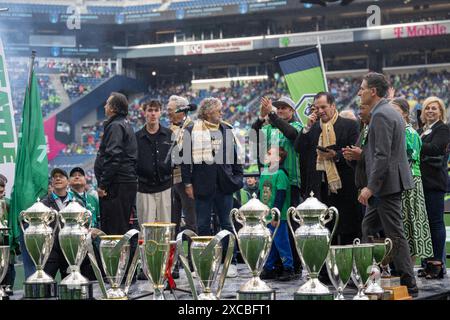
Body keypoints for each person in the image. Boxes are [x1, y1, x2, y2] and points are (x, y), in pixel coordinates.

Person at [357, 72, 418, 296]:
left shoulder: (381, 114)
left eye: (362, 88)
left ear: (373, 91)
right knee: (368, 227)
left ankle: (409, 283)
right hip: (388, 183)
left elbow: (382, 155)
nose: (359, 92)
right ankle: (370, 276)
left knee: (395, 234)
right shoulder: (387, 111)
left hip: (385, 186)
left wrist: (371, 186)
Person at [181, 97, 243, 278]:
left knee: (226, 224)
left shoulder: (227, 129)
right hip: (202, 185)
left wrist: (237, 178)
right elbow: (185, 162)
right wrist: (187, 184)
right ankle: (204, 262)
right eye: (218, 110)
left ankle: (230, 262)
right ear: (208, 112)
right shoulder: (191, 130)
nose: (222, 113)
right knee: (202, 225)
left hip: (224, 185)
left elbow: (236, 157)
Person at [295, 92, 361, 245]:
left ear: (332, 106)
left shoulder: (349, 125)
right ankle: (323, 269)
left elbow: (354, 151)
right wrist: (307, 127)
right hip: (319, 187)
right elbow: (299, 148)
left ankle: (345, 267)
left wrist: (335, 155)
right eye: (316, 108)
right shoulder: (312, 127)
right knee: (322, 233)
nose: (320, 111)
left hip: (343, 185)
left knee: (347, 230)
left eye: (323, 107)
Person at [391, 98, 433, 262]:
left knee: (410, 224)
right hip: (399, 181)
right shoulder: (397, 130)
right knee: (402, 224)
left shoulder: (410, 132)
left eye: (395, 111)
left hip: (410, 181)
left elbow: (410, 157)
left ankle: (409, 269)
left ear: (405, 114)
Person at [94, 92, 138, 235]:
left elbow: (114, 156)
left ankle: (115, 258)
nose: (105, 106)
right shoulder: (124, 124)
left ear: (113, 108)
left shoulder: (116, 126)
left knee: (114, 230)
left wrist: (103, 185)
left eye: (107, 103)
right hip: (122, 183)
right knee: (119, 227)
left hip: (116, 185)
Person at [417, 96, 450, 279]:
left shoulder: (442, 128)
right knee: (424, 225)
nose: (430, 111)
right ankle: (427, 262)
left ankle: (437, 263)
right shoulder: (422, 130)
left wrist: (414, 143)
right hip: (420, 183)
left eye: (434, 108)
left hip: (434, 183)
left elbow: (436, 148)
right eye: (428, 108)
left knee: (435, 223)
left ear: (441, 112)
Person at [251, 96, 303, 205]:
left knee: (290, 214)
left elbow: (291, 134)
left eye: (283, 108)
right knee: (270, 214)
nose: (279, 110)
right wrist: (261, 117)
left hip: (290, 179)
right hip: (270, 178)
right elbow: (254, 136)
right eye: (277, 108)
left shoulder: (297, 126)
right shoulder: (269, 128)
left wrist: (272, 114)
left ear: (292, 111)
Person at [259, 147, 296, 281]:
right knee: (270, 244)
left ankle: (288, 267)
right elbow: (260, 194)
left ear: (278, 159)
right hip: (266, 217)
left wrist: (276, 216)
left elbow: (280, 195)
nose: (266, 155)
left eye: (270, 154)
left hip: (278, 217)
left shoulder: (280, 174)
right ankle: (269, 268)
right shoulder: (264, 172)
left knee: (281, 242)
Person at [135, 100, 172, 225]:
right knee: (145, 230)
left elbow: (176, 161)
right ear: (144, 113)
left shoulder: (169, 135)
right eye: (150, 110)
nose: (153, 114)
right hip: (144, 188)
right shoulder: (136, 137)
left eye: (156, 110)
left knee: (166, 229)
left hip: (165, 187)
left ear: (160, 113)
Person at [167, 95, 197, 235]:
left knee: (191, 221)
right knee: (172, 222)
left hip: (187, 181)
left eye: (170, 109)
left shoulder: (192, 128)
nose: (168, 112)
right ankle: (174, 256)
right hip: (172, 181)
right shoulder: (169, 129)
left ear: (181, 111)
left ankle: (193, 255)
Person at [41, 168, 75, 280]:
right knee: (46, 284)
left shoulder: (76, 203)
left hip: (70, 251)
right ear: (52, 182)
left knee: (71, 287)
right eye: (55, 177)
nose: (58, 178)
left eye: (61, 176)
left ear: (68, 181)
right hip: (51, 251)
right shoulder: (44, 203)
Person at [0, 175, 15, 296]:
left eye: (2, 186)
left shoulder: (9, 204)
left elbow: (12, 226)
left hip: (7, 249)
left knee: (7, 290)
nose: (1, 188)